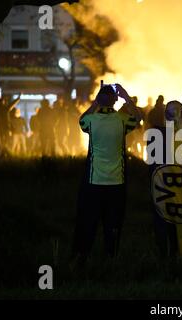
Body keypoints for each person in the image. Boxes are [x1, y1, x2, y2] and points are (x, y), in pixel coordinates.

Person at [72, 83, 141, 264]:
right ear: (115, 101)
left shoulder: (91, 121)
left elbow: (82, 120)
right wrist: (127, 97)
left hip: (94, 182)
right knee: (113, 224)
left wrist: (95, 103)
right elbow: (139, 118)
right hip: (117, 182)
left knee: (89, 222)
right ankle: (111, 258)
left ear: (99, 100)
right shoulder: (123, 120)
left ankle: (82, 257)